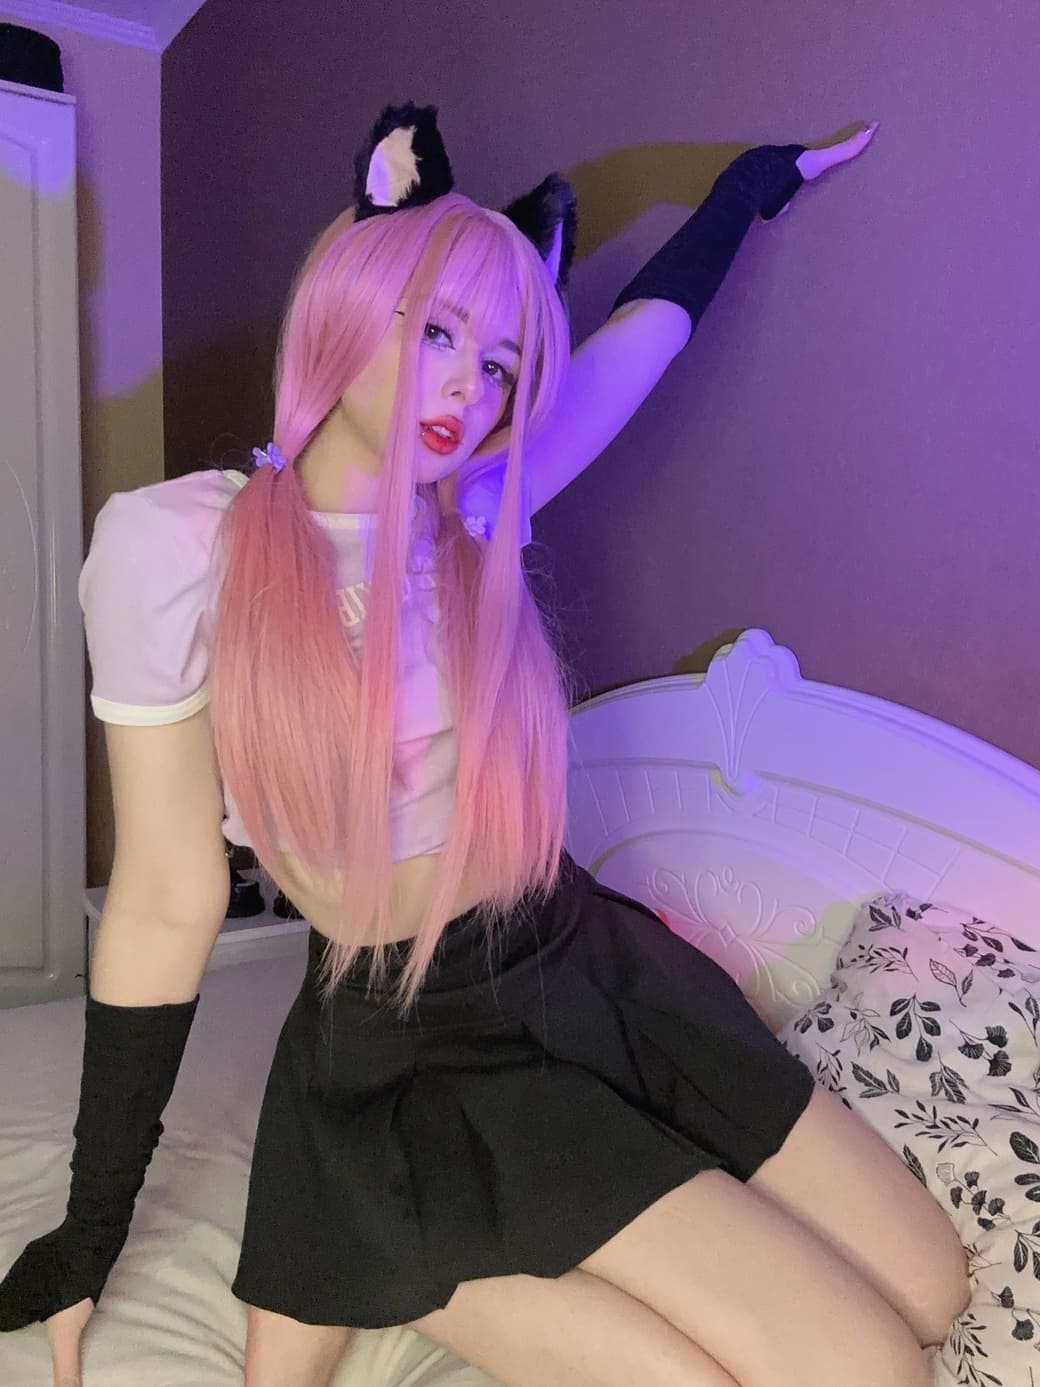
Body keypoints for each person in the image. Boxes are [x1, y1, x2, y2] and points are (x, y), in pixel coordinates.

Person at [1, 103, 966, 1387]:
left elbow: (641, 340)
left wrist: (747, 191)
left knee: (930, 1285)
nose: (469, 385)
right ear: (348, 304)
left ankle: (433, 1216)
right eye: (438, 332)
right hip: (419, 1038)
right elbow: (167, 899)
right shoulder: (175, 546)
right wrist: (93, 1223)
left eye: (502, 362)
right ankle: (411, 1224)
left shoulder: (474, 513)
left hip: (575, 956)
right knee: (864, 1369)